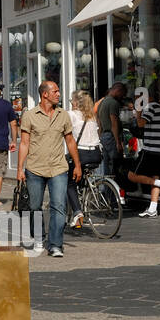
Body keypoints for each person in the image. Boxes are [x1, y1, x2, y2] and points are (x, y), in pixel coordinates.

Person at [16, 80, 81, 258]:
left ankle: (55, 244)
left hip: (58, 168)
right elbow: (25, 144)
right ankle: (38, 239)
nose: (59, 94)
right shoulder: (30, 115)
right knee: (35, 206)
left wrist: (77, 165)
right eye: (56, 91)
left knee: (59, 206)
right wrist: (20, 168)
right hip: (35, 169)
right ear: (45, 94)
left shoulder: (63, 115)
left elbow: (70, 141)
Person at [128, 80, 160, 217]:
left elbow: (141, 124)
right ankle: (153, 208)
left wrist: (139, 109)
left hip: (150, 149)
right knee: (154, 175)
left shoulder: (150, 107)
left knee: (132, 175)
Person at [66, 91, 102, 229]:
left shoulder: (72, 114)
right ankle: (82, 193)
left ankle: (77, 212)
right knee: (78, 177)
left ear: (75, 102)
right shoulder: (92, 116)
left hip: (81, 153)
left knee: (68, 182)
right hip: (96, 154)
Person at [95, 82, 128, 182]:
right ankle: (115, 193)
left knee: (107, 168)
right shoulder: (113, 103)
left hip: (104, 137)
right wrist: (118, 142)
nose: (122, 97)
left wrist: (99, 137)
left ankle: (108, 193)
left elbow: (99, 122)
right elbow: (114, 123)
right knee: (115, 167)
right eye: (122, 94)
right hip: (111, 137)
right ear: (118, 90)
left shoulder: (102, 102)